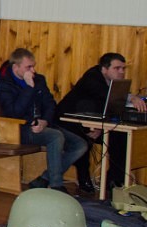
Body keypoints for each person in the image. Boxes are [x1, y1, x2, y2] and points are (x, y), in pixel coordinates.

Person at [0, 48, 88, 191]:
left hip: (43, 125)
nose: (33, 70)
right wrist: (29, 88)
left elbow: (50, 104)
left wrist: (45, 121)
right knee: (56, 136)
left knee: (80, 144)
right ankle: (56, 185)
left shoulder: (39, 80)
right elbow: (14, 113)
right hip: (20, 129)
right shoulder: (4, 85)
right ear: (16, 67)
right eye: (28, 67)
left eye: (33, 66)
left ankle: (44, 178)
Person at [56, 52, 147, 192]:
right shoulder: (92, 78)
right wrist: (132, 98)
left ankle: (113, 180)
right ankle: (83, 179)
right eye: (117, 68)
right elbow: (102, 95)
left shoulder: (116, 82)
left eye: (123, 68)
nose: (121, 72)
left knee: (121, 137)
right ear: (104, 69)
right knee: (84, 139)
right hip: (68, 121)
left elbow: (109, 106)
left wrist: (100, 125)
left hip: (93, 120)